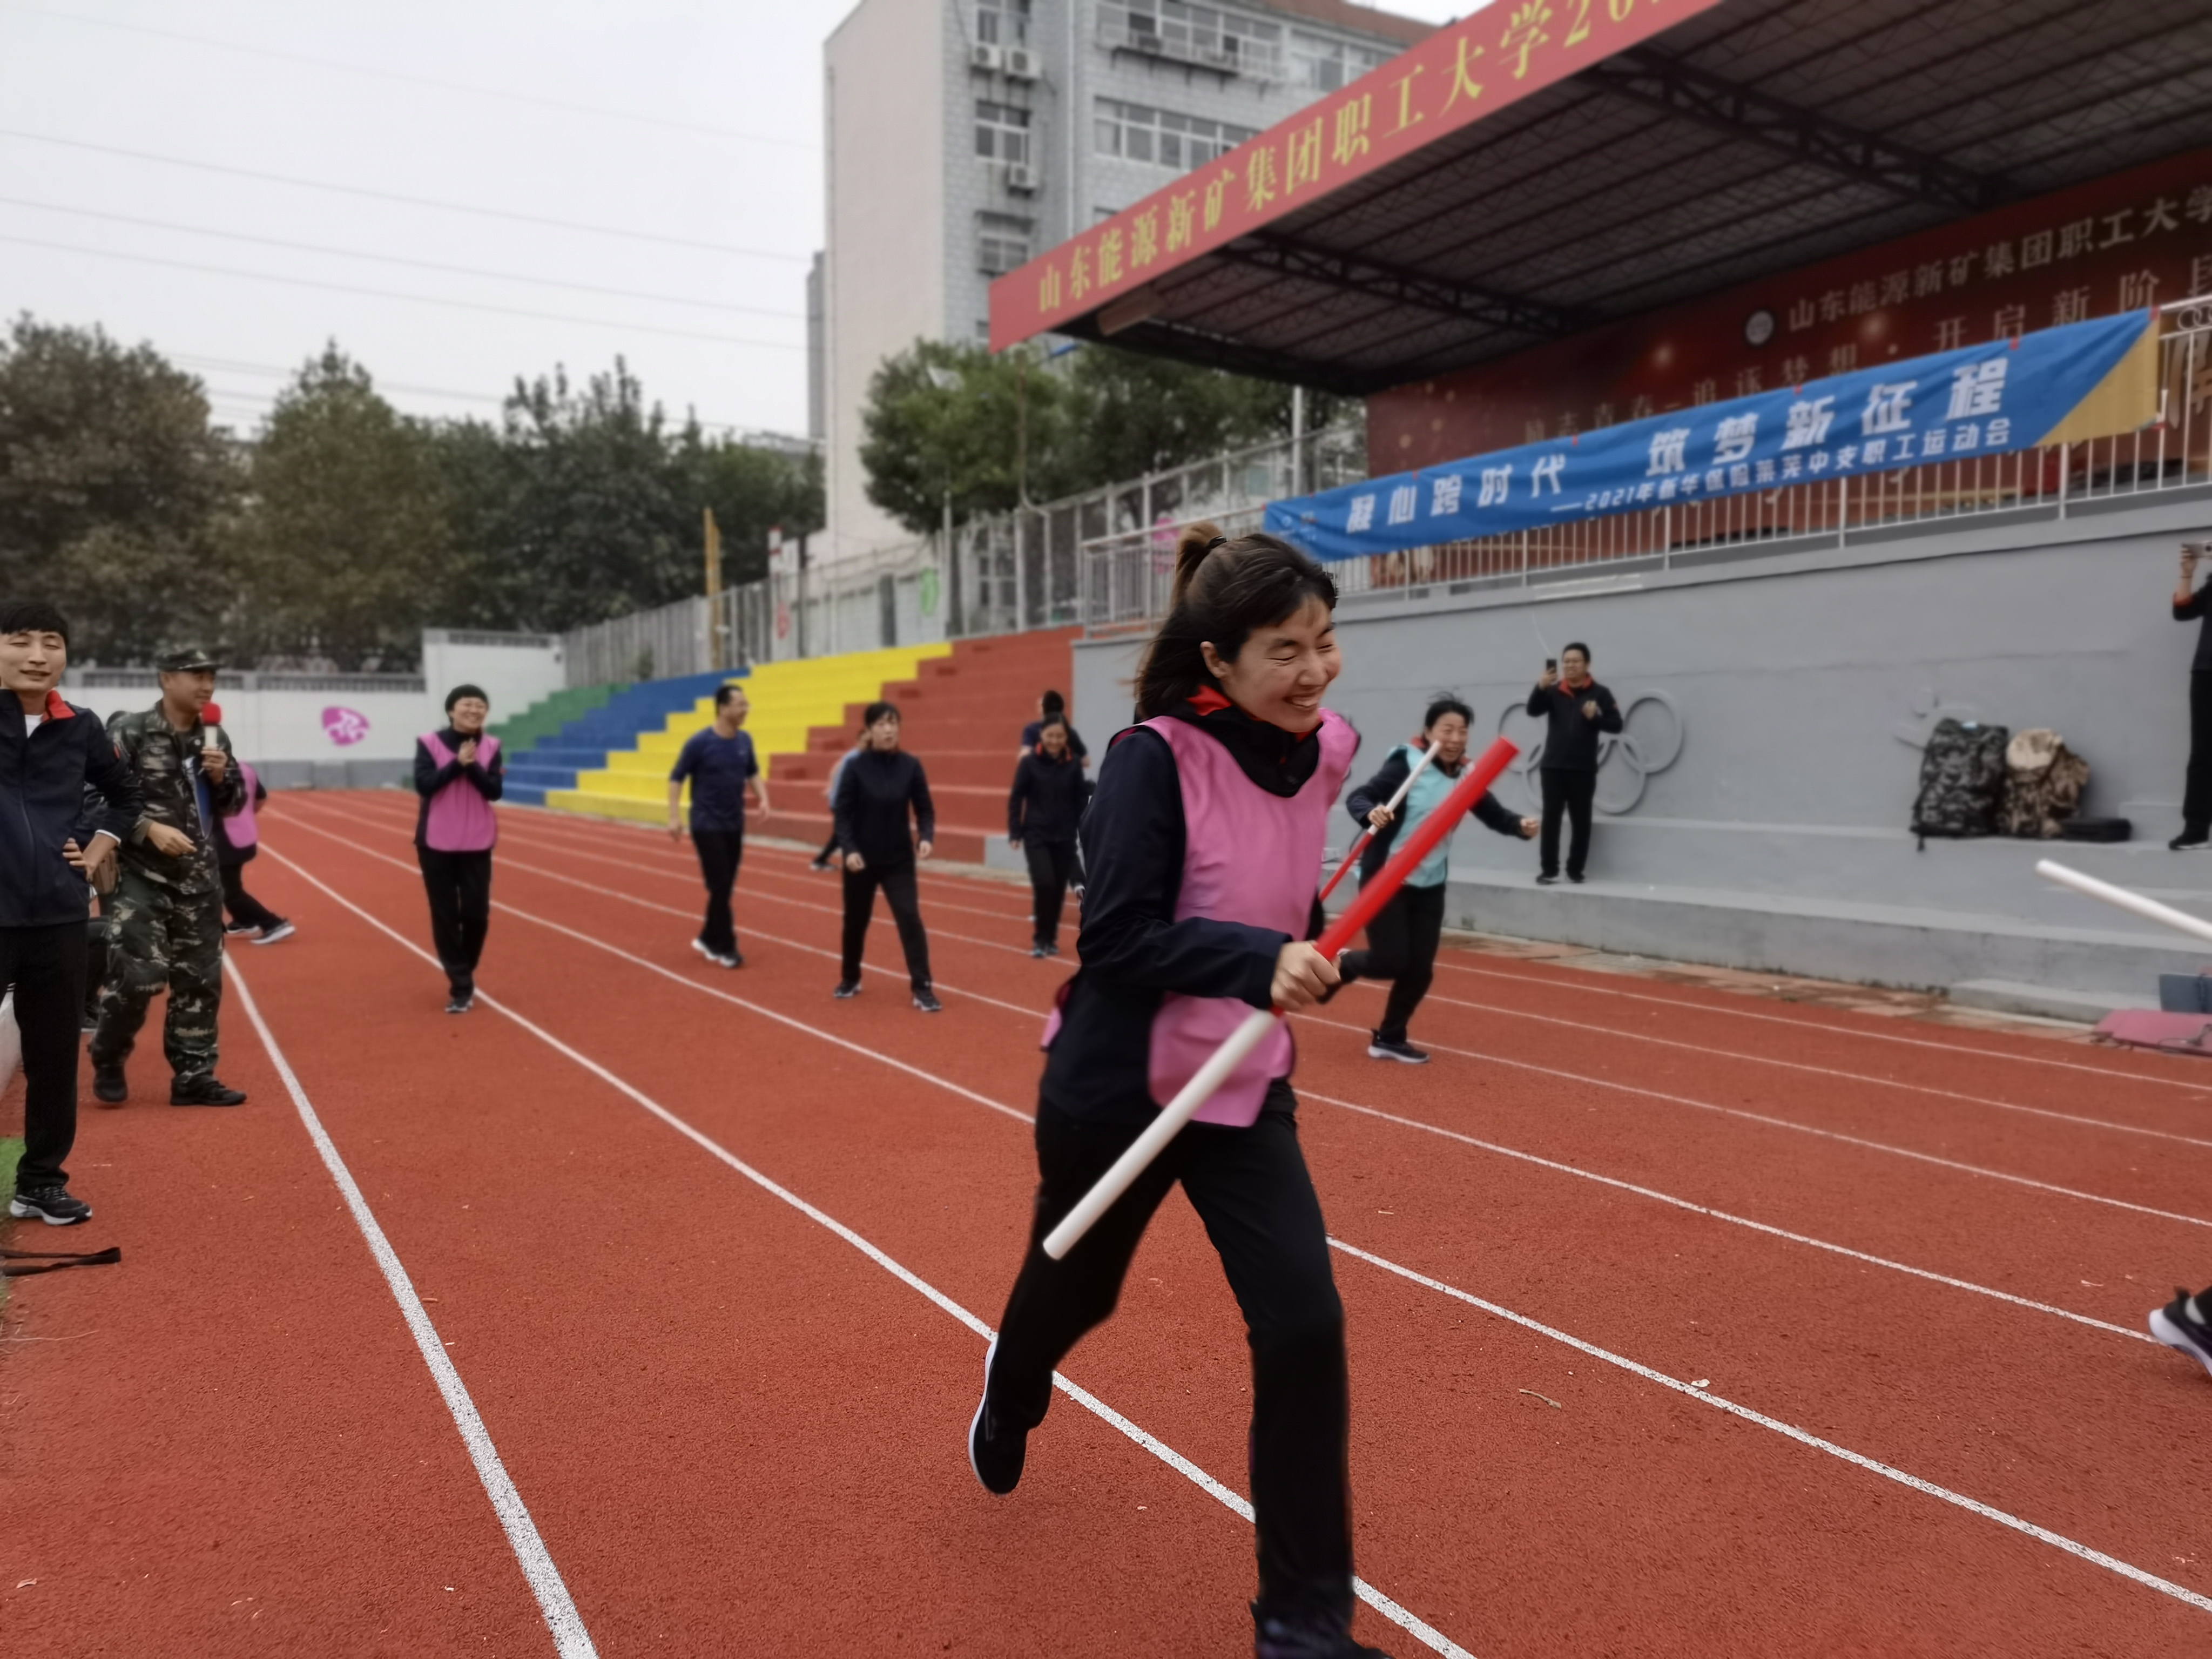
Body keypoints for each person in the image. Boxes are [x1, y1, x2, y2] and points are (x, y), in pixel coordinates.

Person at [970, 524, 1397, 1659]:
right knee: (1076, 1291)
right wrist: (1253, 959)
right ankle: (1012, 1383)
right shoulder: (1151, 758)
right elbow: (1112, 935)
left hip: (1244, 1085)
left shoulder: (1329, 745)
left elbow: (1273, 883)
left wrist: (1304, 940)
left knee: (1303, 1326)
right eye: (1283, 650)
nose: (1314, 671)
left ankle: (1301, 1626)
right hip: (1121, 1085)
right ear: (1215, 661)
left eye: (1324, 641)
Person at [0, 603, 141, 1224]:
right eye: (20, 642)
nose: (37, 655)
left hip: (58, 915)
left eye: (51, 643)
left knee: (55, 1053)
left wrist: (95, 845)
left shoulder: (80, 726)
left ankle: (40, 1183)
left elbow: (126, 794)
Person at [1335, 697, 1537, 1062]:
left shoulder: (1466, 775)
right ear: (1429, 733)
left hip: (1430, 884)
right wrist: (1371, 814)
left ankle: (1390, 1038)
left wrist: (1520, 826)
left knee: (1420, 970)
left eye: (1462, 731)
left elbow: (1492, 813)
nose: (1456, 738)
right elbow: (1360, 796)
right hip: (1387, 879)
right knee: (1392, 961)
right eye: (1447, 730)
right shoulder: (1407, 765)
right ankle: (1347, 963)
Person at [89, 646, 248, 1109]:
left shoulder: (215, 737)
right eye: (195, 675)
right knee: (140, 976)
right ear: (165, 679)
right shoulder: (130, 731)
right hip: (139, 875)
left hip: (199, 879)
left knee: (200, 980)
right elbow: (93, 798)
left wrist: (223, 779)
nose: (206, 685)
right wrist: (146, 828)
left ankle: (194, 1076)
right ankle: (108, 1053)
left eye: (211, 677)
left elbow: (234, 806)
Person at [831, 702, 939, 1010]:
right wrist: (849, 850)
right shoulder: (855, 767)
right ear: (868, 730)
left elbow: (925, 809)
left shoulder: (911, 766)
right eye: (880, 724)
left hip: (898, 861)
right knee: (855, 922)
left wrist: (926, 838)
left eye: (893, 722)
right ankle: (850, 977)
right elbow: (842, 815)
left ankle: (923, 987)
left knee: (910, 919)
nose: (888, 729)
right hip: (861, 862)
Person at [414, 684, 503, 1013]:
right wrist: (455, 764)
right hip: (436, 842)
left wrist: (472, 765)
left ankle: (463, 966)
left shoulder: (492, 746)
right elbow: (424, 784)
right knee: (446, 915)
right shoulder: (429, 743)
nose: (474, 709)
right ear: (452, 710)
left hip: (477, 841)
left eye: (481, 705)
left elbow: (494, 791)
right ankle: (461, 986)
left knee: (477, 914)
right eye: (467, 704)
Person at [667, 683, 768, 968]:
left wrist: (763, 798)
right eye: (741, 704)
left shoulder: (745, 741)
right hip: (706, 823)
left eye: (747, 704)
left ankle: (708, 936)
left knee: (724, 887)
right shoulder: (699, 743)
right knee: (721, 883)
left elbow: (752, 772)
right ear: (723, 708)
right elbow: (677, 778)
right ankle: (727, 947)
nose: (746, 709)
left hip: (734, 822)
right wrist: (674, 817)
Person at [1526, 641, 1622, 885]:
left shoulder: (1600, 693)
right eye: (1566, 661)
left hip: (1583, 768)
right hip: (1553, 767)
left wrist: (1595, 718)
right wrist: (1540, 688)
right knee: (1552, 819)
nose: (1569, 665)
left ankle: (1575, 870)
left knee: (1581, 820)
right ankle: (1549, 870)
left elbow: (1617, 725)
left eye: (1575, 661)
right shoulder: (1554, 690)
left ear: (1587, 664)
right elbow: (1532, 711)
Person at [1007, 714, 1092, 957]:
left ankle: (1050, 939)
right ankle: (1040, 938)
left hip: (1064, 836)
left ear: (1066, 738)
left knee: (1056, 890)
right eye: (1050, 735)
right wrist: (1015, 830)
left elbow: (1079, 799)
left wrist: (1082, 827)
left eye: (1060, 736)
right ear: (1042, 736)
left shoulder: (1073, 763)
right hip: (1036, 834)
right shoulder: (1029, 763)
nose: (1055, 740)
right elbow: (1017, 798)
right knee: (1045, 883)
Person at [214, 759, 293, 944]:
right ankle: (245, 920)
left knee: (229, 892)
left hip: (224, 841)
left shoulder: (209, 771)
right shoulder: (244, 767)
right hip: (244, 836)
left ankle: (273, 924)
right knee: (230, 883)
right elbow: (260, 799)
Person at [2171, 542, 2212, 849]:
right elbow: (2182, 612)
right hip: (2207, 673)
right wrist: (2187, 574)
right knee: (2202, 756)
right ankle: (2197, 830)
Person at [812, 740, 860, 872]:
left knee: (843, 833)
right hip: (842, 802)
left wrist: (831, 788)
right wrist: (832, 789)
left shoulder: (852, 755)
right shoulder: (856, 756)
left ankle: (821, 860)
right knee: (843, 834)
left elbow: (835, 768)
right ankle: (821, 860)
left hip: (840, 800)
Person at [1017, 689, 1089, 768]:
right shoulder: (1071, 732)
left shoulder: (1032, 729)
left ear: (1041, 708)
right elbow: (1085, 761)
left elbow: (1024, 756)